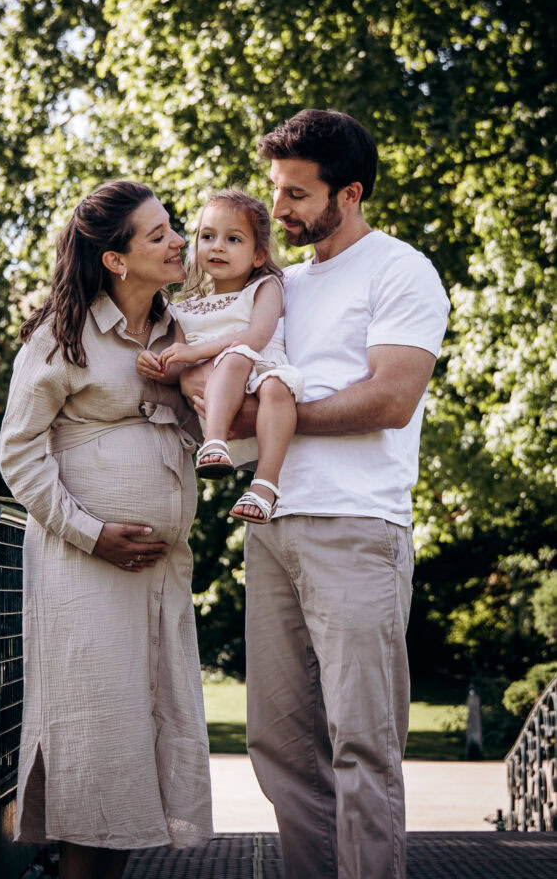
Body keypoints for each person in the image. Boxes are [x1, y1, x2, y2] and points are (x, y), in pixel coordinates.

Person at [187, 110, 450, 879]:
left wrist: (274, 417)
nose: (278, 209)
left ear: (350, 192)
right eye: (275, 189)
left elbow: (390, 399)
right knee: (278, 746)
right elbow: (219, 384)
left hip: (357, 527)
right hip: (269, 527)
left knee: (362, 743)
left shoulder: (400, 270)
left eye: (296, 194)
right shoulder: (278, 285)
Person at [0, 180, 213, 879]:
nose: (178, 240)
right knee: (95, 750)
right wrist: (91, 533)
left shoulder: (182, 331)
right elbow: (18, 455)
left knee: (131, 758)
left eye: (172, 227)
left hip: (157, 574)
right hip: (84, 569)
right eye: (158, 234)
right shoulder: (62, 337)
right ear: (116, 260)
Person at [136, 189, 304, 522]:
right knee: (224, 362)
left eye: (233, 239)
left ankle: (265, 486)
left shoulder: (265, 287)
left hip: (261, 379)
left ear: (259, 255)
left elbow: (256, 337)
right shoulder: (185, 308)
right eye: (208, 236)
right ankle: (214, 446)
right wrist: (157, 365)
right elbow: (181, 365)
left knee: (249, 365)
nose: (217, 247)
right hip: (218, 407)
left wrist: (195, 351)